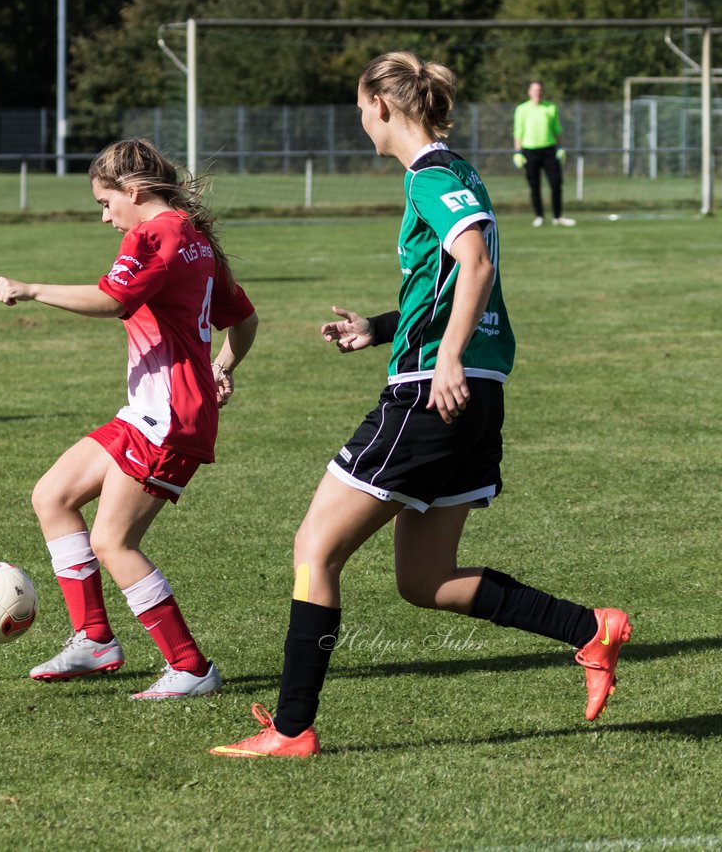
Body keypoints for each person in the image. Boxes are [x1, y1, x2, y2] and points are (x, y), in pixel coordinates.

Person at [210, 52, 629, 758]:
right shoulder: (459, 169)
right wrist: (379, 328)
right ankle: (590, 629)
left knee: (315, 551)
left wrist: (445, 357)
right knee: (426, 579)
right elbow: (443, 280)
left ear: (382, 105)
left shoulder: (433, 176)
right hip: (476, 398)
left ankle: (290, 730)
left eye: (359, 112)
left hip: (430, 398)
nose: (361, 126)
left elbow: (476, 260)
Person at [0, 138, 259, 700]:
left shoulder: (154, 233)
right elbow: (245, 318)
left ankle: (190, 667)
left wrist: (31, 288)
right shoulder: (195, 237)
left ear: (134, 191)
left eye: (105, 202)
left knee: (114, 542)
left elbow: (114, 299)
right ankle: (93, 640)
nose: (106, 216)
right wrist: (220, 368)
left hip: (169, 418)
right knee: (53, 496)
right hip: (150, 411)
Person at [513, 81, 575, 227]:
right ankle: (539, 216)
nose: (537, 93)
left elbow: (557, 130)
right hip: (529, 151)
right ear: (529, 92)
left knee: (556, 183)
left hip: (549, 150)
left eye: (539, 90)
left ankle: (558, 216)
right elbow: (518, 132)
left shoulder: (551, 107)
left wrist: (560, 148)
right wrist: (517, 152)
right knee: (534, 185)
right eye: (534, 90)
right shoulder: (522, 109)